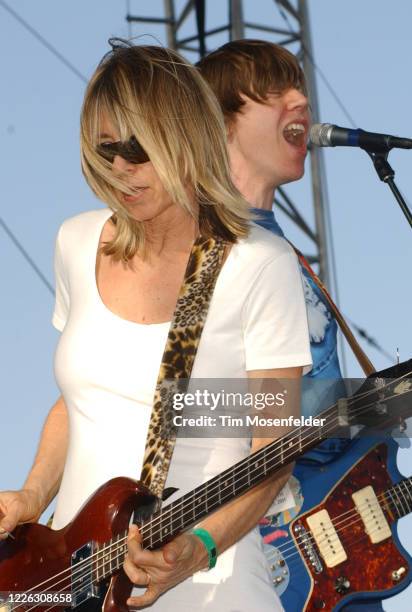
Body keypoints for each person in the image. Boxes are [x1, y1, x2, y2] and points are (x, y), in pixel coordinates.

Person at [0, 41, 312, 611]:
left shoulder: (257, 264)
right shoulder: (76, 242)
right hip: (73, 578)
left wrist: (199, 546)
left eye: (138, 148)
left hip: (209, 587)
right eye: (106, 149)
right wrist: (31, 493)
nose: (120, 167)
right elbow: (80, 400)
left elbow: (275, 449)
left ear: (184, 137)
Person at [198, 39, 385, 611]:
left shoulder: (281, 250)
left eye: (299, 86)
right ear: (220, 121)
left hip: (341, 550)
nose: (301, 99)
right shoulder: (199, 246)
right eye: (274, 91)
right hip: (255, 554)